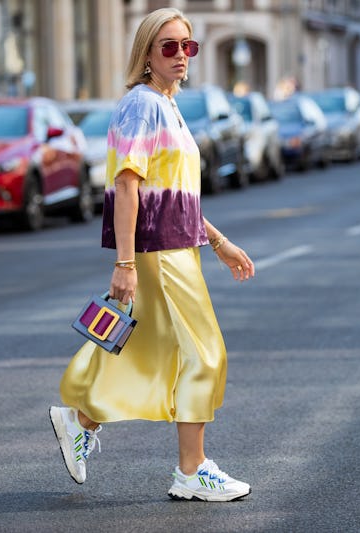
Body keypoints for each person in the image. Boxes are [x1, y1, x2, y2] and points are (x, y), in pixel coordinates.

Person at [49, 7, 256, 502]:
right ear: (146, 53)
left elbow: (173, 194)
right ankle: (192, 471)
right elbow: (127, 185)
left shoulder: (167, 103)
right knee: (205, 353)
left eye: (189, 45)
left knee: (144, 350)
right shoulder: (143, 105)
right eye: (169, 46)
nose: (182, 54)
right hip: (161, 253)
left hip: (177, 245)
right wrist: (124, 263)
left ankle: (78, 422)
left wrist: (219, 242)